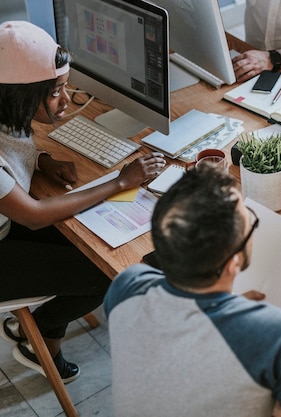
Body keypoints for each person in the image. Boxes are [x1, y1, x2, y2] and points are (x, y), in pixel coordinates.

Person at [104, 163, 281, 417]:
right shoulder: (272, 336)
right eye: (249, 221)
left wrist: (227, 311)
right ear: (233, 263)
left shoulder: (127, 286)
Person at [0, 21, 165, 383]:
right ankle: (41, 334)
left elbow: (12, 148)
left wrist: (42, 160)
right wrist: (121, 181)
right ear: (22, 95)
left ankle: (34, 326)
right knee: (104, 270)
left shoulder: (7, 111)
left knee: (91, 240)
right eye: (56, 91)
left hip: (8, 227)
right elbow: (35, 216)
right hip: (9, 237)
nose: (68, 99)